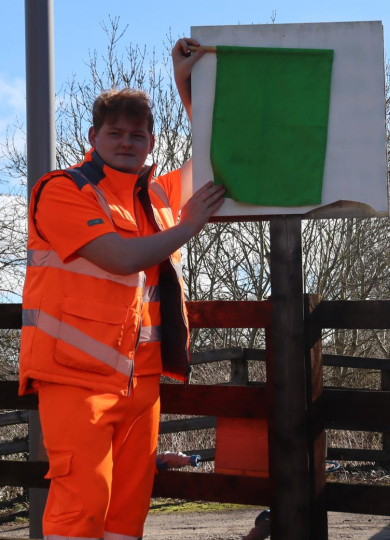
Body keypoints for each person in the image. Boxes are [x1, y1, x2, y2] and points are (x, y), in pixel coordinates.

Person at [18, 38, 221, 540]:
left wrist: (186, 85)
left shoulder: (157, 196)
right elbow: (119, 257)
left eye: (137, 134)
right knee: (81, 509)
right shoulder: (62, 189)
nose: (126, 141)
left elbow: (212, 151)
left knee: (127, 515)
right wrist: (189, 226)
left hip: (142, 384)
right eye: (116, 132)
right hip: (74, 382)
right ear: (93, 136)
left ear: (152, 142)